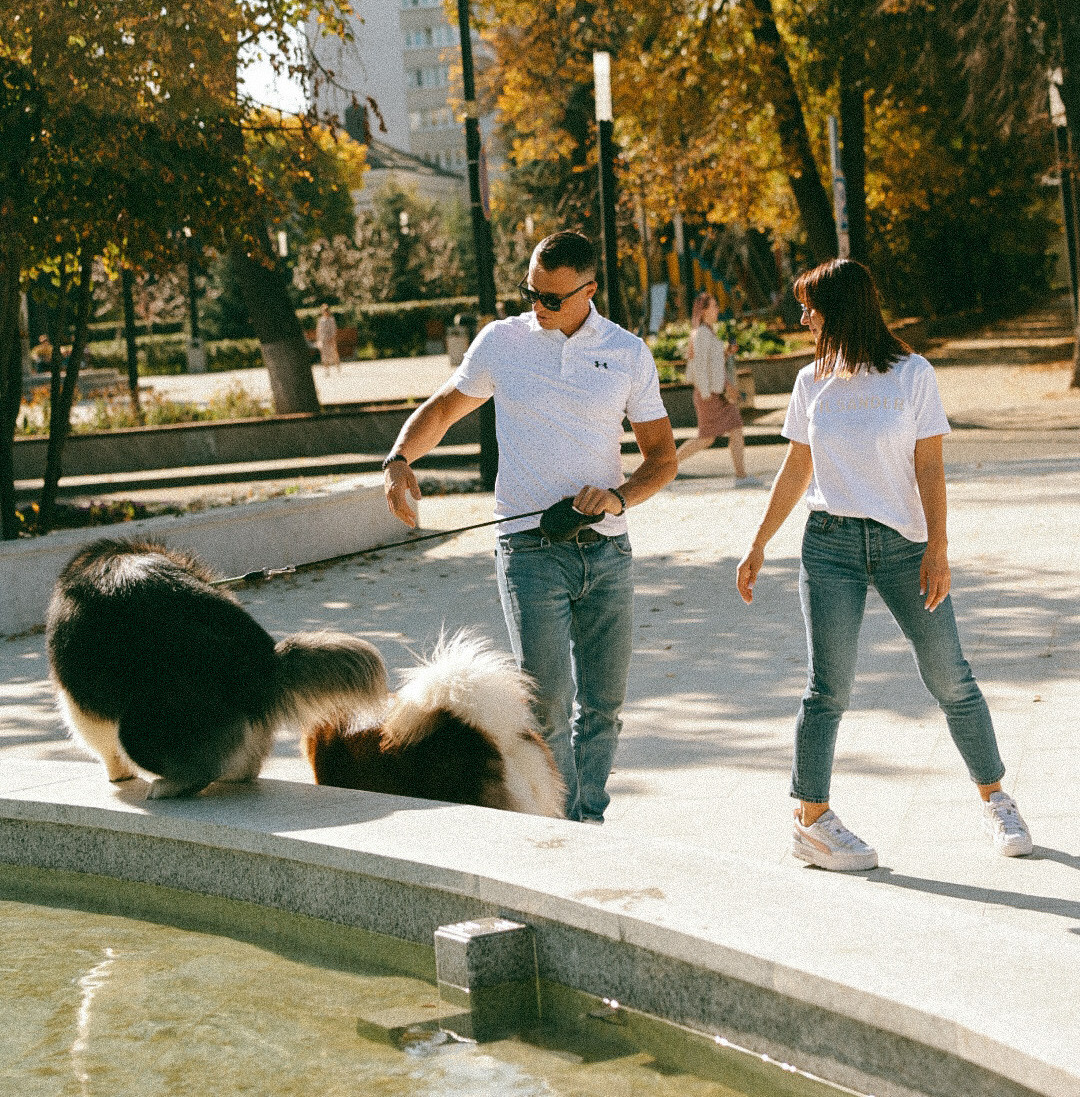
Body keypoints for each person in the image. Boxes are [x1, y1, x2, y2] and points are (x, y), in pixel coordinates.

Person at [736, 258, 1032, 871]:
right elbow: (797, 468)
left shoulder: (911, 375)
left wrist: (938, 548)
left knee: (950, 676)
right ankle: (811, 819)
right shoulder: (810, 381)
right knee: (828, 687)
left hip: (904, 545)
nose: (801, 317)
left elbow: (930, 466)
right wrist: (760, 540)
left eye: (810, 307)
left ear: (842, 309)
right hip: (830, 545)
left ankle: (997, 798)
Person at [381, 229, 677, 822]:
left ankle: (587, 815)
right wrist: (399, 461)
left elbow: (662, 458)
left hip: (607, 552)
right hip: (529, 550)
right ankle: (560, 821)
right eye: (531, 292)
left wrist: (619, 497)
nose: (536, 306)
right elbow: (444, 408)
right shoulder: (503, 342)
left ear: (587, 291)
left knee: (603, 705)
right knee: (546, 703)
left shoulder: (625, 352)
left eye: (550, 297)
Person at [676, 292, 746, 479]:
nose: (717, 310)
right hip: (709, 395)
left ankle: (741, 474)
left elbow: (712, 364)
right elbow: (699, 367)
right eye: (714, 306)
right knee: (706, 439)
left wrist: (727, 353)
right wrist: (707, 395)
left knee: (736, 427)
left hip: (717, 393)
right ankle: (668, 467)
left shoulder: (708, 332)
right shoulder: (701, 334)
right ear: (704, 311)